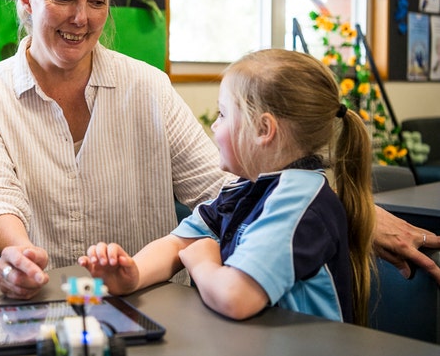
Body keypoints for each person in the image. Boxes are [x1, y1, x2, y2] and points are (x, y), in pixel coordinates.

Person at [0, 0, 440, 301]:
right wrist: (16, 249)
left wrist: (357, 212)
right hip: (46, 307)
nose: (82, 18)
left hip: (156, 308)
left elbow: (226, 189)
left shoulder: (147, 85)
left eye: (97, 1)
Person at [80, 49, 378, 324]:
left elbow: (236, 297)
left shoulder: (297, 203)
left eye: (223, 115)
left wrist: (203, 263)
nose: (214, 125)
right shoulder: (244, 189)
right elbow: (178, 243)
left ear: (263, 129)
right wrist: (133, 274)